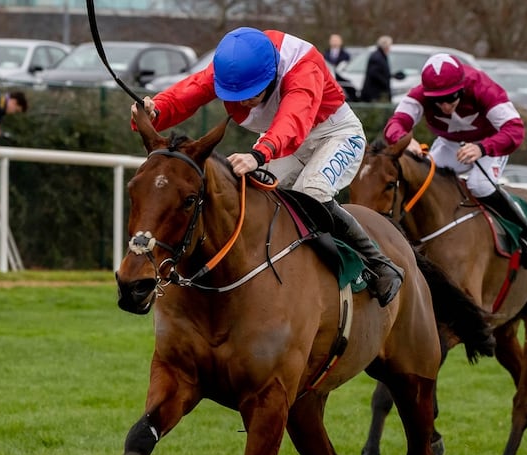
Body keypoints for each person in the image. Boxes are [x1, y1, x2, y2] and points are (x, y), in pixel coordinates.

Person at [131, 27, 402, 306]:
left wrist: (259, 154)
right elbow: (190, 91)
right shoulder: (238, 63)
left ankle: (380, 264)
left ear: (272, 73)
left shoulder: (302, 67)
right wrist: (155, 110)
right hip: (286, 142)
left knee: (311, 192)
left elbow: (293, 119)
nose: (244, 100)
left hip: (335, 135)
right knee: (255, 196)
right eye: (237, 94)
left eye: (252, 93)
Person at [383, 53, 527, 267]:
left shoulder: (483, 88)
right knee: (424, 179)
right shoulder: (418, 94)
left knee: (480, 185)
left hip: (490, 141)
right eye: (437, 101)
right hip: (451, 143)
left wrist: (482, 148)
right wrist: (403, 139)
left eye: (450, 98)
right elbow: (395, 124)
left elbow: (514, 130)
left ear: (462, 88)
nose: (445, 106)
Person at [359, 35, 392, 103]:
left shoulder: (380, 56)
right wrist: (385, 82)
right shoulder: (377, 57)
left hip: (376, 93)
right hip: (375, 94)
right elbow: (374, 73)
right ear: (385, 46)